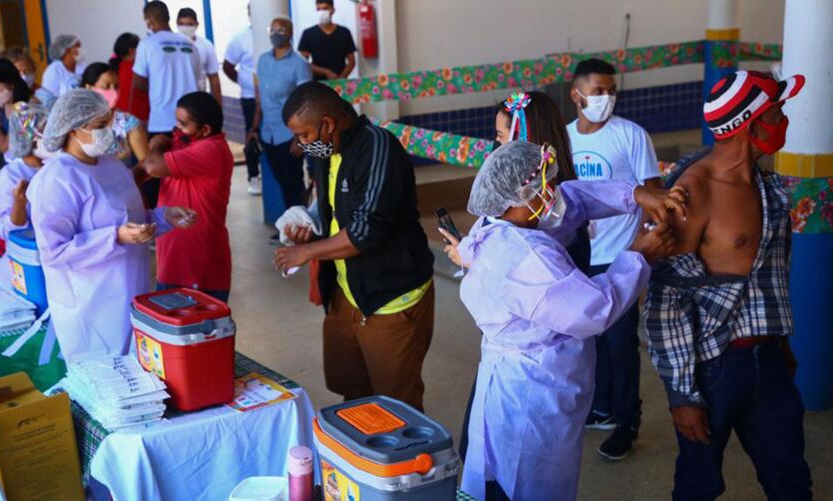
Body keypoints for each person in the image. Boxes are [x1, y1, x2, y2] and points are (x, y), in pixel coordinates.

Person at [449, 141, 682, 501]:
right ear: (522, 195)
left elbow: (574, 200)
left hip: (515, 376)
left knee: (501, 477)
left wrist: (635, 194)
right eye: (547, 186)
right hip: (532, 392)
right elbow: (594, 309)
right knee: (527, 481)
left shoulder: (502, 223)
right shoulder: (524, 256)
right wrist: (641, 254)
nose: (555, 193)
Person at [645, 70, 813, 501]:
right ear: (749, 124)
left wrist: (781, 344)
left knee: (790, 479)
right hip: (713, 367)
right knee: (698, 484)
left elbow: (768, 276)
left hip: (768, 357)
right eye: (776, 112)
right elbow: (666, 299)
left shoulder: (766, 186)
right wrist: (682, 393)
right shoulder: (693, 191)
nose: (784, 120)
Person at [275, 81, 435, 410]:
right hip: (347, 292)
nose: (301, 144)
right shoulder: (327, 152)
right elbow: (335, 214)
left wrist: (305, 252)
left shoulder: (377, 147)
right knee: (353, 394)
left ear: (327, 124)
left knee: (397, 406)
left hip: (390, 297)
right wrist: (310, 233)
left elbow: (364, 232)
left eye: (303, 135)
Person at [454, 90, 592, 461]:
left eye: (502, 138)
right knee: (489, 451)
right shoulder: (526, 207)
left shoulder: (547, 216)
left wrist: (475, 260)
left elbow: (522, 274)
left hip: (532, 370)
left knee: (513, 459)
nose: (497, 151)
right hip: (511, 360)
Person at [27, 89, 196, 364]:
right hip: (91, 306)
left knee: (140, 369)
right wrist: (115, 238)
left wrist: (163, 217)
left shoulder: (113, 167)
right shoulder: (57, 181)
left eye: (109, 122)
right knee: (105, 376)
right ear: (74, 129)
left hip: (133, 290)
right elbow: (54, 252)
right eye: (100, 125)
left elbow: (128, 220)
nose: (109, 131)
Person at [567, 57, 660, 460]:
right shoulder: (564, 138)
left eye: (611, 91)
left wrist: (643, 243)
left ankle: (627, 421)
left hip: (620, 254)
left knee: (621, 343)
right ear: (577, 95)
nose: (606, 98)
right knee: (590, 337)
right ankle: (601, 407)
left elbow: (654, 192)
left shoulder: (630, 135)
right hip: (579, 254)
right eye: (598, 91)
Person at [138, 91, 233, 302]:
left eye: (183, 124)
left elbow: (151, 166)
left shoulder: (211, 149)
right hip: (172, 262)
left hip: (197, 265)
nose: (176, 129)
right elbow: (140, 172)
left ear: (205, 130)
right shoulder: (184, 143)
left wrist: (157, 145)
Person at [135, 1, 202, 208]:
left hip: (162, 121)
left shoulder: (147, 44)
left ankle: (159, 218)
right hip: (191, 122)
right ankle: (188, 211)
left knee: (156, 176)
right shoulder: (189, 44)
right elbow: (198, 79)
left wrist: (158, 86)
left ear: (149, 21)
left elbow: (138, 82)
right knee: (187, 173)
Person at [252, 16, 312, 215]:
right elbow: (260, 98)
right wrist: (254, 127)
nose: (276, 34)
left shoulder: (299, 63)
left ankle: (303, 224)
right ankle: (291, 223)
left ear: (291, 34)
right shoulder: (263, 61)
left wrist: (300, 139)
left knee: (293, 183)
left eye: (281, 30)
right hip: (268, 133)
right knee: (282, 181)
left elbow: (306, 103)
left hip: (289, 135)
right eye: (273, 30)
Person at [0, 103, 51, 240]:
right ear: (28, 138)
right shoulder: (9, 177)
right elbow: (4, 231)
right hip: (28, 249)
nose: (53, 138)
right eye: (45, 133)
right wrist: (19, 204)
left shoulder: (54, 168)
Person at [223, 6, 260, 195]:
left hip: (273, 98)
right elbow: (228, 66)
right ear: (249, 14)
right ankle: (253, 176)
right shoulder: (241, 38)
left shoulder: (274, 34)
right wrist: (243, 82)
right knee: (251, 137)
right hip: (250, 97)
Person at [81, 62, 149, 164]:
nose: (113, 91)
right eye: (106, 87)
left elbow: (147, 166)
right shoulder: (77, 122)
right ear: (89, 88)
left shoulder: (128, 123)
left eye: (116, 86)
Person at [0, 58, 32, 170]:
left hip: (28, 168)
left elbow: (5, 148)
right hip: (12, 167)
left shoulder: (24, 109)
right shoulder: (2, 108)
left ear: (11, 84)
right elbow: (0, 147)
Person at [298, 0, 357, 81]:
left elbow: (351, 61)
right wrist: (326, 72)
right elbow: (303, 63)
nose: (322, 12)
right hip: (318, 83)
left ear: (333, 10)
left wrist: (340, 79)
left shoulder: (344, 32)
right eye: (319, 9)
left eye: (325, 9)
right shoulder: (308, 33)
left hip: (341, 82)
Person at [176, 8, 222, 102]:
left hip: (198, 98)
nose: (185, 28)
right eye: (182, 24)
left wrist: (218, 106)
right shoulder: (170, 45)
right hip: (175, 98)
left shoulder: (206, 45)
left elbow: (214, 79)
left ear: (196, 25)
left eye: (189, 24)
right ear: (177, 23)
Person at [111, 33, 150, 123]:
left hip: (121, 113)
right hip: (136, 117)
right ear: (131, 51)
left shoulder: (120, 66)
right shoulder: (137, 69)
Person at [40, 34, 85, 100]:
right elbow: (46, 97)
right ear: (67, 50)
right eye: (77, 46)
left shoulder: (82, 66)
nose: (80, 49)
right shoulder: (54, 71)